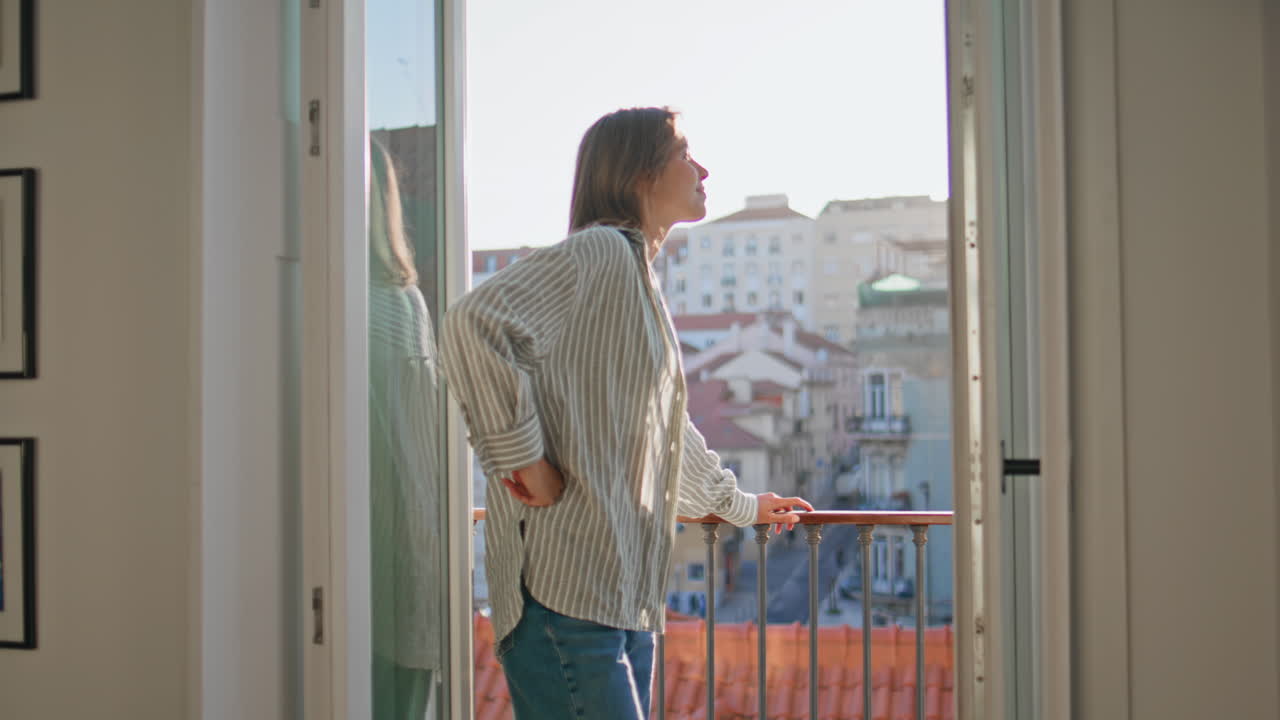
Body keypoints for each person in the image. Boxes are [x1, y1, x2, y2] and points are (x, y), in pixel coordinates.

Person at [439, 107, 812, 720]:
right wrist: (524, 459)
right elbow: (470, 325)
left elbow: (666, 430)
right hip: (565, 599)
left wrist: (741, 505)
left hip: (620, 598)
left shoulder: (637, 278)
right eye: (684, 153)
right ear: (639, 172)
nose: (702, 168)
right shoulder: (601, 253)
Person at [368, 140, 444, 719]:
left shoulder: (389, 306)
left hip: (373, 543)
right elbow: (425, 449)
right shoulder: (401, 304)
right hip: (399, 544)